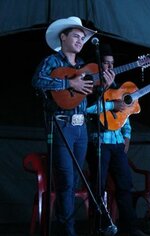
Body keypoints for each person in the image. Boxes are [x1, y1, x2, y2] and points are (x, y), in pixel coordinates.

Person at [32, 16, 115, 236]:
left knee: (75, 180)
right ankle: (67, 231)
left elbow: (87, 99)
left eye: (82, 38)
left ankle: (71, 227)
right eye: (76, 36)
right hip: (60, 126)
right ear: (63, 37)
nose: (80, 41)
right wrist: (69, 82)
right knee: (66, 180)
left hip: (81, 130)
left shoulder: (83, 66)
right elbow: (37, 81)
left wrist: (102, 87)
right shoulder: (53, 61)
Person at [86, 44, 149, 236]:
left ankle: (130, 228)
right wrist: (112, 103)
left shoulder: (119, 88)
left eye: (111, 64)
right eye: (105, 63)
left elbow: (125, 117)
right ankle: (100, 228)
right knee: (99, 187)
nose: (109, 67)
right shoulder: (90, 86)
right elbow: (86, 109)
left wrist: (127, 138)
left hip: (116, 144)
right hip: (99, 143)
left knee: (125, 185)